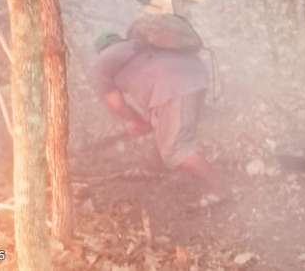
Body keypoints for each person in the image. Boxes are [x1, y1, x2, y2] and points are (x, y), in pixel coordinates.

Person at [90, 32, 219, 191]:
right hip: (195, 74)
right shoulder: (141, 42)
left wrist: (135, 121)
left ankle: (223, 188)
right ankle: (160, 169)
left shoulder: (102, 63)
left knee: (176, 150)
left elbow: (116, 103)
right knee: (163, 126)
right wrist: (146, 121)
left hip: (172, 86)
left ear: (100, 50)